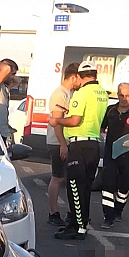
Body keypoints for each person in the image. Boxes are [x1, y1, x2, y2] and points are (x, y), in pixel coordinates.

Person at [49, 61, 109, 240]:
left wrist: (57, 121)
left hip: (79, 145)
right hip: (93, 145)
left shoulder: (82, 93)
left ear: (81, 77)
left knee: (74, 186)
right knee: (86, 188)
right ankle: (80, 225)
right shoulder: (103, 93)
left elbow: (75, 120)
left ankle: (76, 227)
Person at [99, 82, 129, 229]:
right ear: (117, 94)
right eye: (121, 95)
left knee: (124, 185)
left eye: (127, 95)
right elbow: (102, 127)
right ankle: (108, 217)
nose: (124, 98)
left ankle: (118, 210)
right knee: (108, 184)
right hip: (110, 154)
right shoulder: (110, 110)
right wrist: (101, 135)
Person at [46, 62, 81, 226]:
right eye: (79, 78)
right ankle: (53, 212)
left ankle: (69, 212)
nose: (80, 82)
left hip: (66, 141)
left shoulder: (70, 93)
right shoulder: (60, 94)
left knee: (67, 178)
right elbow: (57, 121)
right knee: (58, 178)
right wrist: (62, 144)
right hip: (58, 141)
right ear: (73, 77)